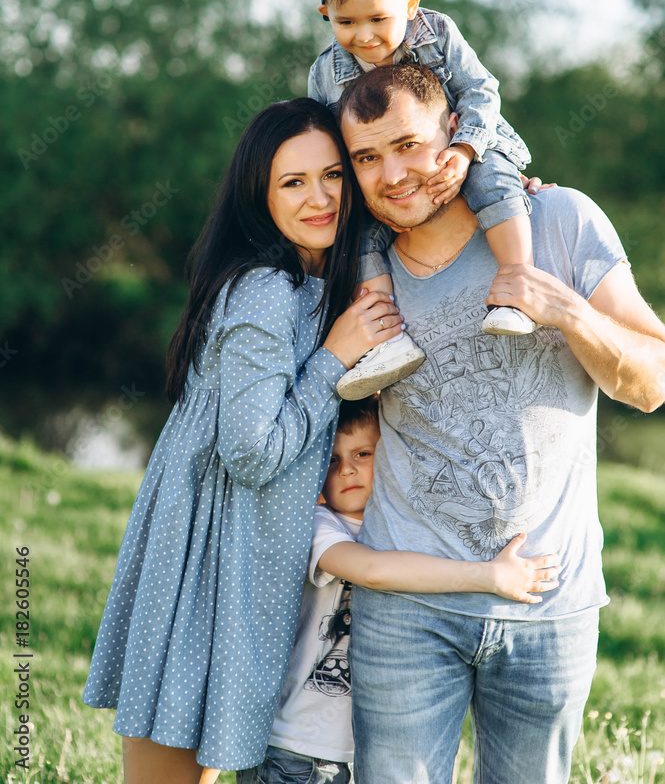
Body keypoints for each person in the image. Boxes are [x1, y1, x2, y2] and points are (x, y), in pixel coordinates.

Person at [336, 62, 665, 784]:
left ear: (456, 130)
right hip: (405, 607)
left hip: (551, 605)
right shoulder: (358, 269)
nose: (391, 175)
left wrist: (569, 312)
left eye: (407, 145)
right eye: (366, 157)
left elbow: (651, 384)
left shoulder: (557, 219)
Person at [82, 98, 406, 782]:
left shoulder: (322, 281)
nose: (319, 198)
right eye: (293, 183)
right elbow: (251, 452)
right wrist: (334, 358)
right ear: (259, 196)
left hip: (248, 556)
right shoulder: (265, 291)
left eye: (333, 176)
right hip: (208, 557)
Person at [223, 396, 559, 784]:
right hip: (300, 752)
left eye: (363, 453)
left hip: (364, 750)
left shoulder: (402, 531)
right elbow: (373, 571)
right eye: (332, 460)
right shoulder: (319, 526)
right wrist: (489, 576)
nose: (347, 469)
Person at [309, 0, 538, 401]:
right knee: (359, 230)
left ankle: (518, 286)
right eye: (346, 23)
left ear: (411, 5)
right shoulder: (325, 74)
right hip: (383, 176)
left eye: (377, 18)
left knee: (492, 179)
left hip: (462, 143)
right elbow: (328, 141)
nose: (365, 36)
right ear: (325, 13)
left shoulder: (439, 34)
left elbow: (481, 90)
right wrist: (357, 191)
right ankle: (386, 338)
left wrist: (466, 149)